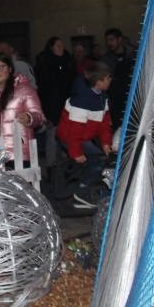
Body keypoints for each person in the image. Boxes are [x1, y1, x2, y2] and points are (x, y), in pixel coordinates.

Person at [56, 62, 113, 205]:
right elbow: (74, 130)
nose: (110, 80)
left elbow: (104, 123)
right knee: (97, 161)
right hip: (70, 137)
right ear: (98, 82)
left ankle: (84, 190)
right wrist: (76, 152)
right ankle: (81, 193)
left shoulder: (102, 97)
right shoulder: (81, 101)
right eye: (107, 78)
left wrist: (106, 142)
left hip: (83, 136)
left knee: (98, 160)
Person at [0, 54, 45, 164]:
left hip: (18, 154)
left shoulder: (25, 90)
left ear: (10, 69)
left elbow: (39, 117)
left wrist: (29, 118)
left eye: (1, 67)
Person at [35, 37, 77, 125]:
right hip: (51, 103)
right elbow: (43, 84)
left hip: (67, 101)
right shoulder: (45, 62)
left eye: (62, 46)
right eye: (58, 46)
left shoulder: (68, 60)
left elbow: (73, 78)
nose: (61, 48)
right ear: (51, 48)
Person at [103, 28, 136, 127]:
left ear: (119, 39)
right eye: (107, 40)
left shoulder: (132, 55)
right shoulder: (106, 59)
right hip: (115, 103)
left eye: (111, 39)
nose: (109, 43)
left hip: (132, 99)